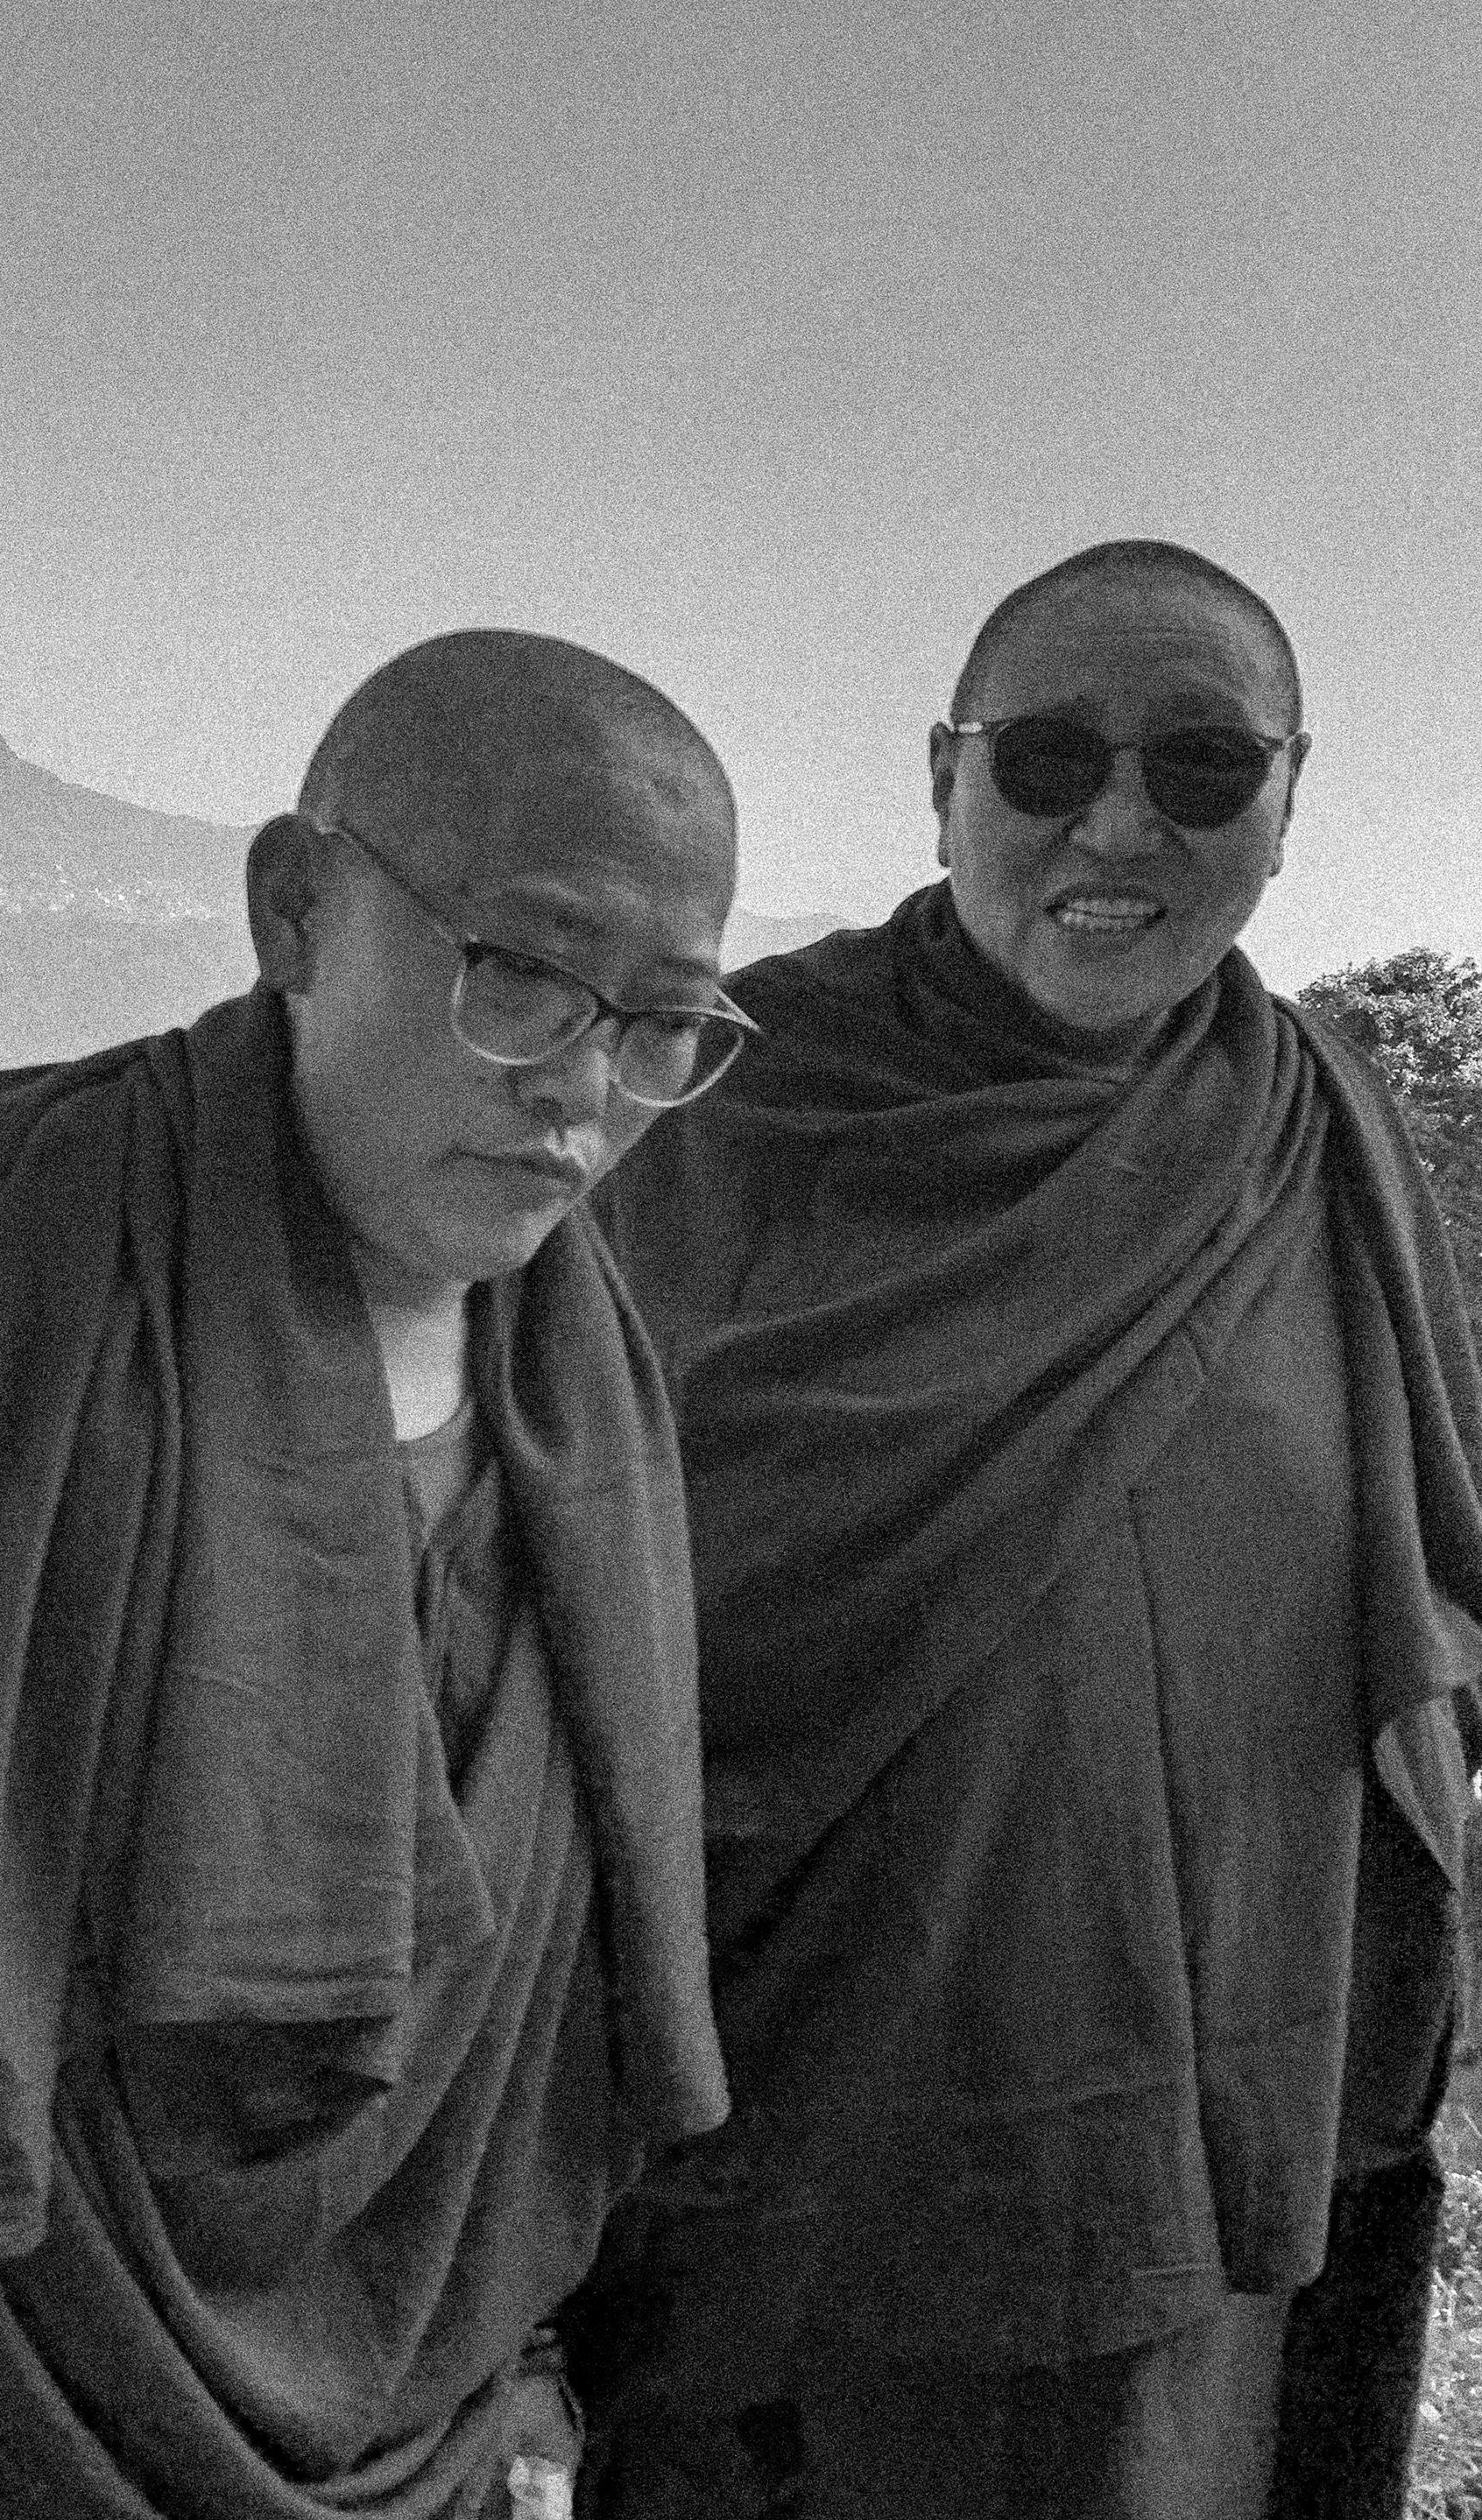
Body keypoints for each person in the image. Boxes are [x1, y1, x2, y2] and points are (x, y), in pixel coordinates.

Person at [567, 542, 1482, 2519]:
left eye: (1204, 765)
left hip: (1216, 2199)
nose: (1121, 823)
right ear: (942, 777)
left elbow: (1431, 1592)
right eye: (1050, 757)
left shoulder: (1319, 1125)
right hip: (800, 2202)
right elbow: (520, 1638)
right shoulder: (716, 1115)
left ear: (1292, 792)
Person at [0, 629, 748, 2518]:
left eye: (660, 1023)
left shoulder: (590, 1389)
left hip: (421, 2415)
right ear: (294, 907)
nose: (582, 1088)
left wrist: (529, 2364)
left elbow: (553, 2001)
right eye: (520, 972)